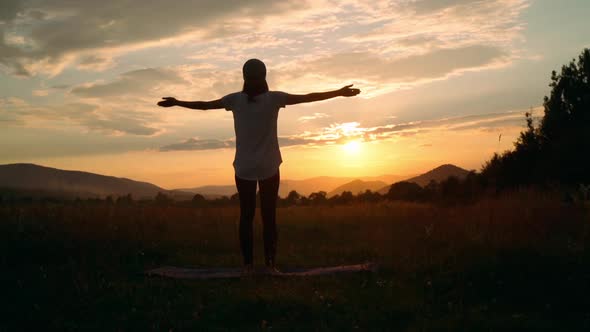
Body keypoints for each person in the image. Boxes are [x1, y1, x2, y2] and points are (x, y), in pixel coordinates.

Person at [158, 59, 360, 275]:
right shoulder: (274, 99)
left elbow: (205, 105)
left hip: (243, 167)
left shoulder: (235, 100)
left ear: (244, 77)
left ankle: (247, 266)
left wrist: (178, 102)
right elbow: (308, 98)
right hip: (269, 166)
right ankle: (270, 265)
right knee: (269, 216)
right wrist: (338, 92)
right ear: (264, 76)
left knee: (246, 216)